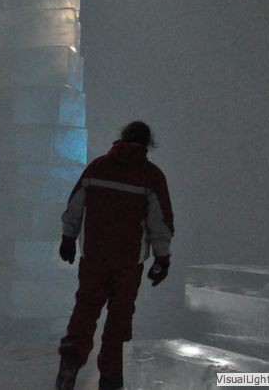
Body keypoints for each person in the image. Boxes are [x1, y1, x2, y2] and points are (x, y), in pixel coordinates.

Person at [55, 121, 174, 390]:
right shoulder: (151, 177)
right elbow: (159, 222)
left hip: (94, 256)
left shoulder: (97, 167)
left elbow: (75, 206)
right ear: (147, 144)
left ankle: (72, 357)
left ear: (122, 138)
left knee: (85, 308)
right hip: (128, 262)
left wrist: (68, 238)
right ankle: (111, 377)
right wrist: (162, 258)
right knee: (120, 318)